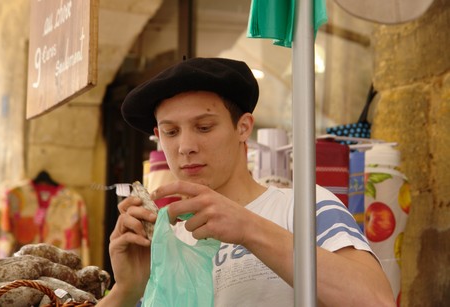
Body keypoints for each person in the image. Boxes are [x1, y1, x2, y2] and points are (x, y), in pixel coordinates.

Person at [97, 57, 395, 307]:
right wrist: (127, 291)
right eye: (171, 132)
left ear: (243, 127)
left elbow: (376, 299)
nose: (185, 146)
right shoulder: (164, 241)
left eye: (203, 127)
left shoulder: (303, 206)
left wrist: (248, 227)